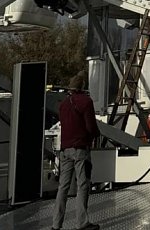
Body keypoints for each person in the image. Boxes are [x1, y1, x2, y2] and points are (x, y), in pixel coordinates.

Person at [52, 72, 100, 230]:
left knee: (63, 187)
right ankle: (82, 223)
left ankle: (56, 225)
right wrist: (95, 135)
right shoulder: (86, 101)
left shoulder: (63, 104)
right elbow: (90, 126)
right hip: (80, 149)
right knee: (83, 185)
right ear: (82, 87)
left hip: (64, 150)